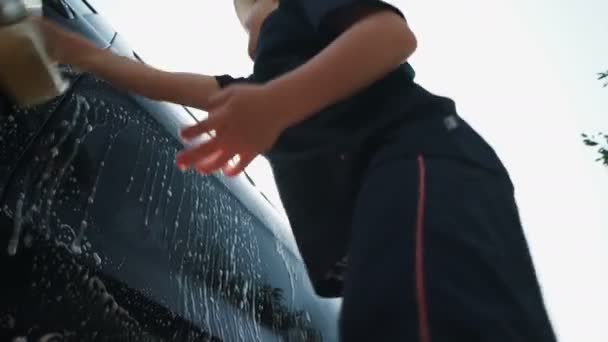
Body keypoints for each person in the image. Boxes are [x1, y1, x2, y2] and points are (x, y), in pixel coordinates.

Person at [37, 0, 558, 341]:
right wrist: (73, 50)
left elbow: (391, 37)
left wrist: (276, 105)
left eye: (252, 13)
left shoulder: (301, 19)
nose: (248, 31)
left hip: (425, 160)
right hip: (377, 223)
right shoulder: (259, 89)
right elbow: (156, 81)